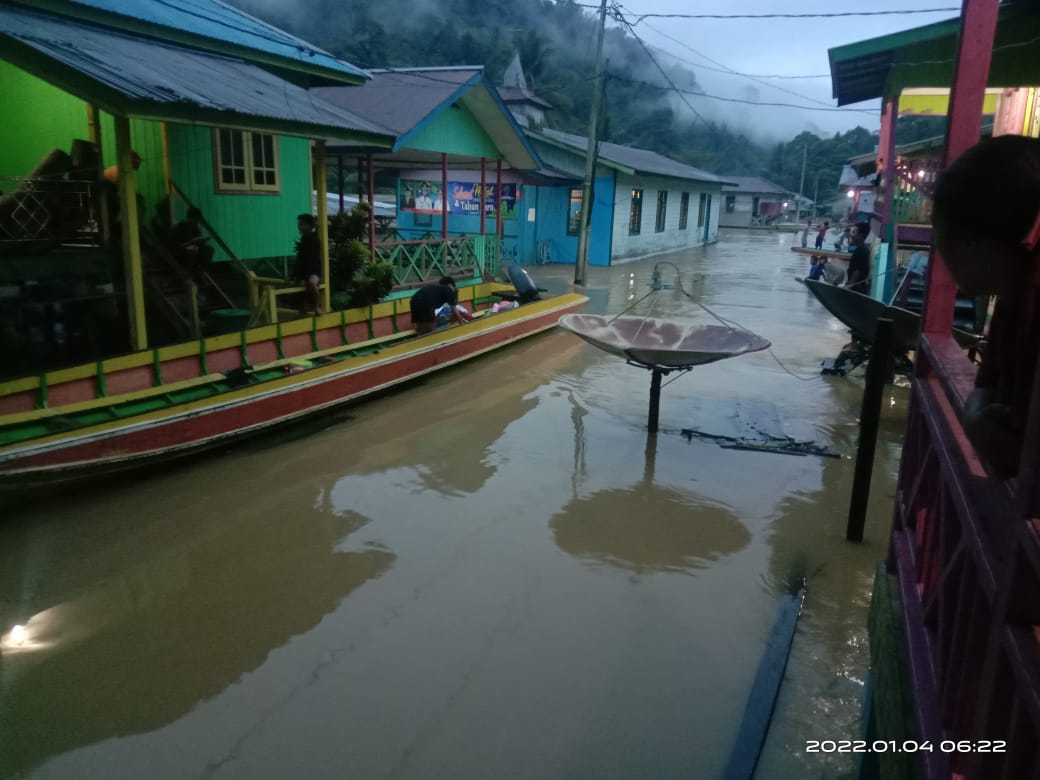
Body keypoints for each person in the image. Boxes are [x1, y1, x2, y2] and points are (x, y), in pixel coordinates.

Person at [931, 134, 1040, 479]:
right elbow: (985, 385)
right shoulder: (1014, 295)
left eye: (941, 234)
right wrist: (976, 417)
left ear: (971, 243)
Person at [169, 207, 213, 282]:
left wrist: (201, 242)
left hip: (193, 250)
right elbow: (175, 245)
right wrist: (190, 242)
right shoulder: (179, 227)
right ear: (191, 217)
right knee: (193, 249)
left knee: (209, 249)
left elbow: (198, 243)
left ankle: (201, 272)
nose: (197, 222)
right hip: (181, 251)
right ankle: (187, 274)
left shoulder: (195, 228)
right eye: (196, 219)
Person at [294, 213, 322, 316]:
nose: (299, 227)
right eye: (299, 224)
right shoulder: (304, 239)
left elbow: (313, 260)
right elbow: (301, 260)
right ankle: (303, 308)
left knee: (312, 283)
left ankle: (316, 306)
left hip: (314, 270)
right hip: (304, 271)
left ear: (310, 226)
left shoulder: (315, 238)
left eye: (302, 224)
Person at [845, 223, 871, 291]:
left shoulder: (860, 251)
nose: (851, 235)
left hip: (856, 288)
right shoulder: (864, 249)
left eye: (854, 232)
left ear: (861, 235)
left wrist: (849, 286)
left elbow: (857, 271)